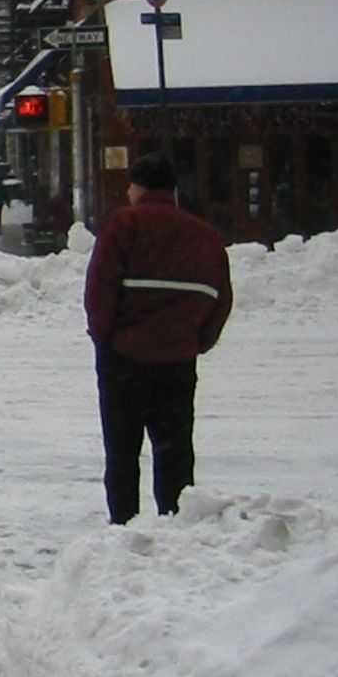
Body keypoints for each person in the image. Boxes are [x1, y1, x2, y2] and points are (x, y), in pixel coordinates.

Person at [84, 152, 233, 526]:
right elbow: (221, 298)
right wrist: (197, 341)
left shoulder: (124, 224)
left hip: (124, 360)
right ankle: (176, 521)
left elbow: (99, 289)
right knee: (175, 451)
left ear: (138, 186)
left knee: (121, 452)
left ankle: (124, 526)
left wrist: (105, 338)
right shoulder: (204, 235)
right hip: (177, 362)